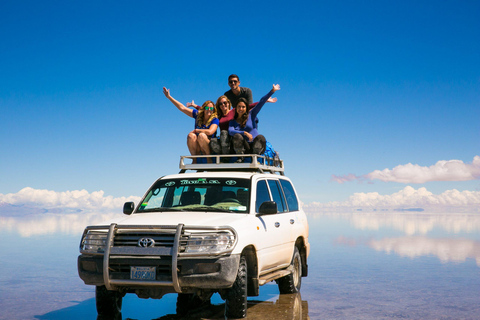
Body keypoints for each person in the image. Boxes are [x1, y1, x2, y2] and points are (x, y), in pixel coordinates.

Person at [163, 87, 218, 159]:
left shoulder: (215, 119)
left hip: (208, 145)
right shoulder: (197, 114)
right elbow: (182, 108)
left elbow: (210, 132)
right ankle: (195, 159)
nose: (209, 110)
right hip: (198, 145)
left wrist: (196, 130)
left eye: (211, 108)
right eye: (207, 108)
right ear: (203, 109)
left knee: (201, 135)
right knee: (191, 136)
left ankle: (208, 158)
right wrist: (169, 97)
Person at [228, 84, 280, 159]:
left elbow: (261, 102)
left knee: (261, 137)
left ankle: (255, 157)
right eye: (239, 107)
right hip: (244, 146)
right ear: (236, 108)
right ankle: (240, 157)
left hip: (255, 145)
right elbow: (230, 131)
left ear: (246, 108)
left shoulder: (252, 114)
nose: (241, 109)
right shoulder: (233, 121)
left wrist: (272, 91)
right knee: (236, 136)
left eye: (243, 107)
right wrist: (245, 133)